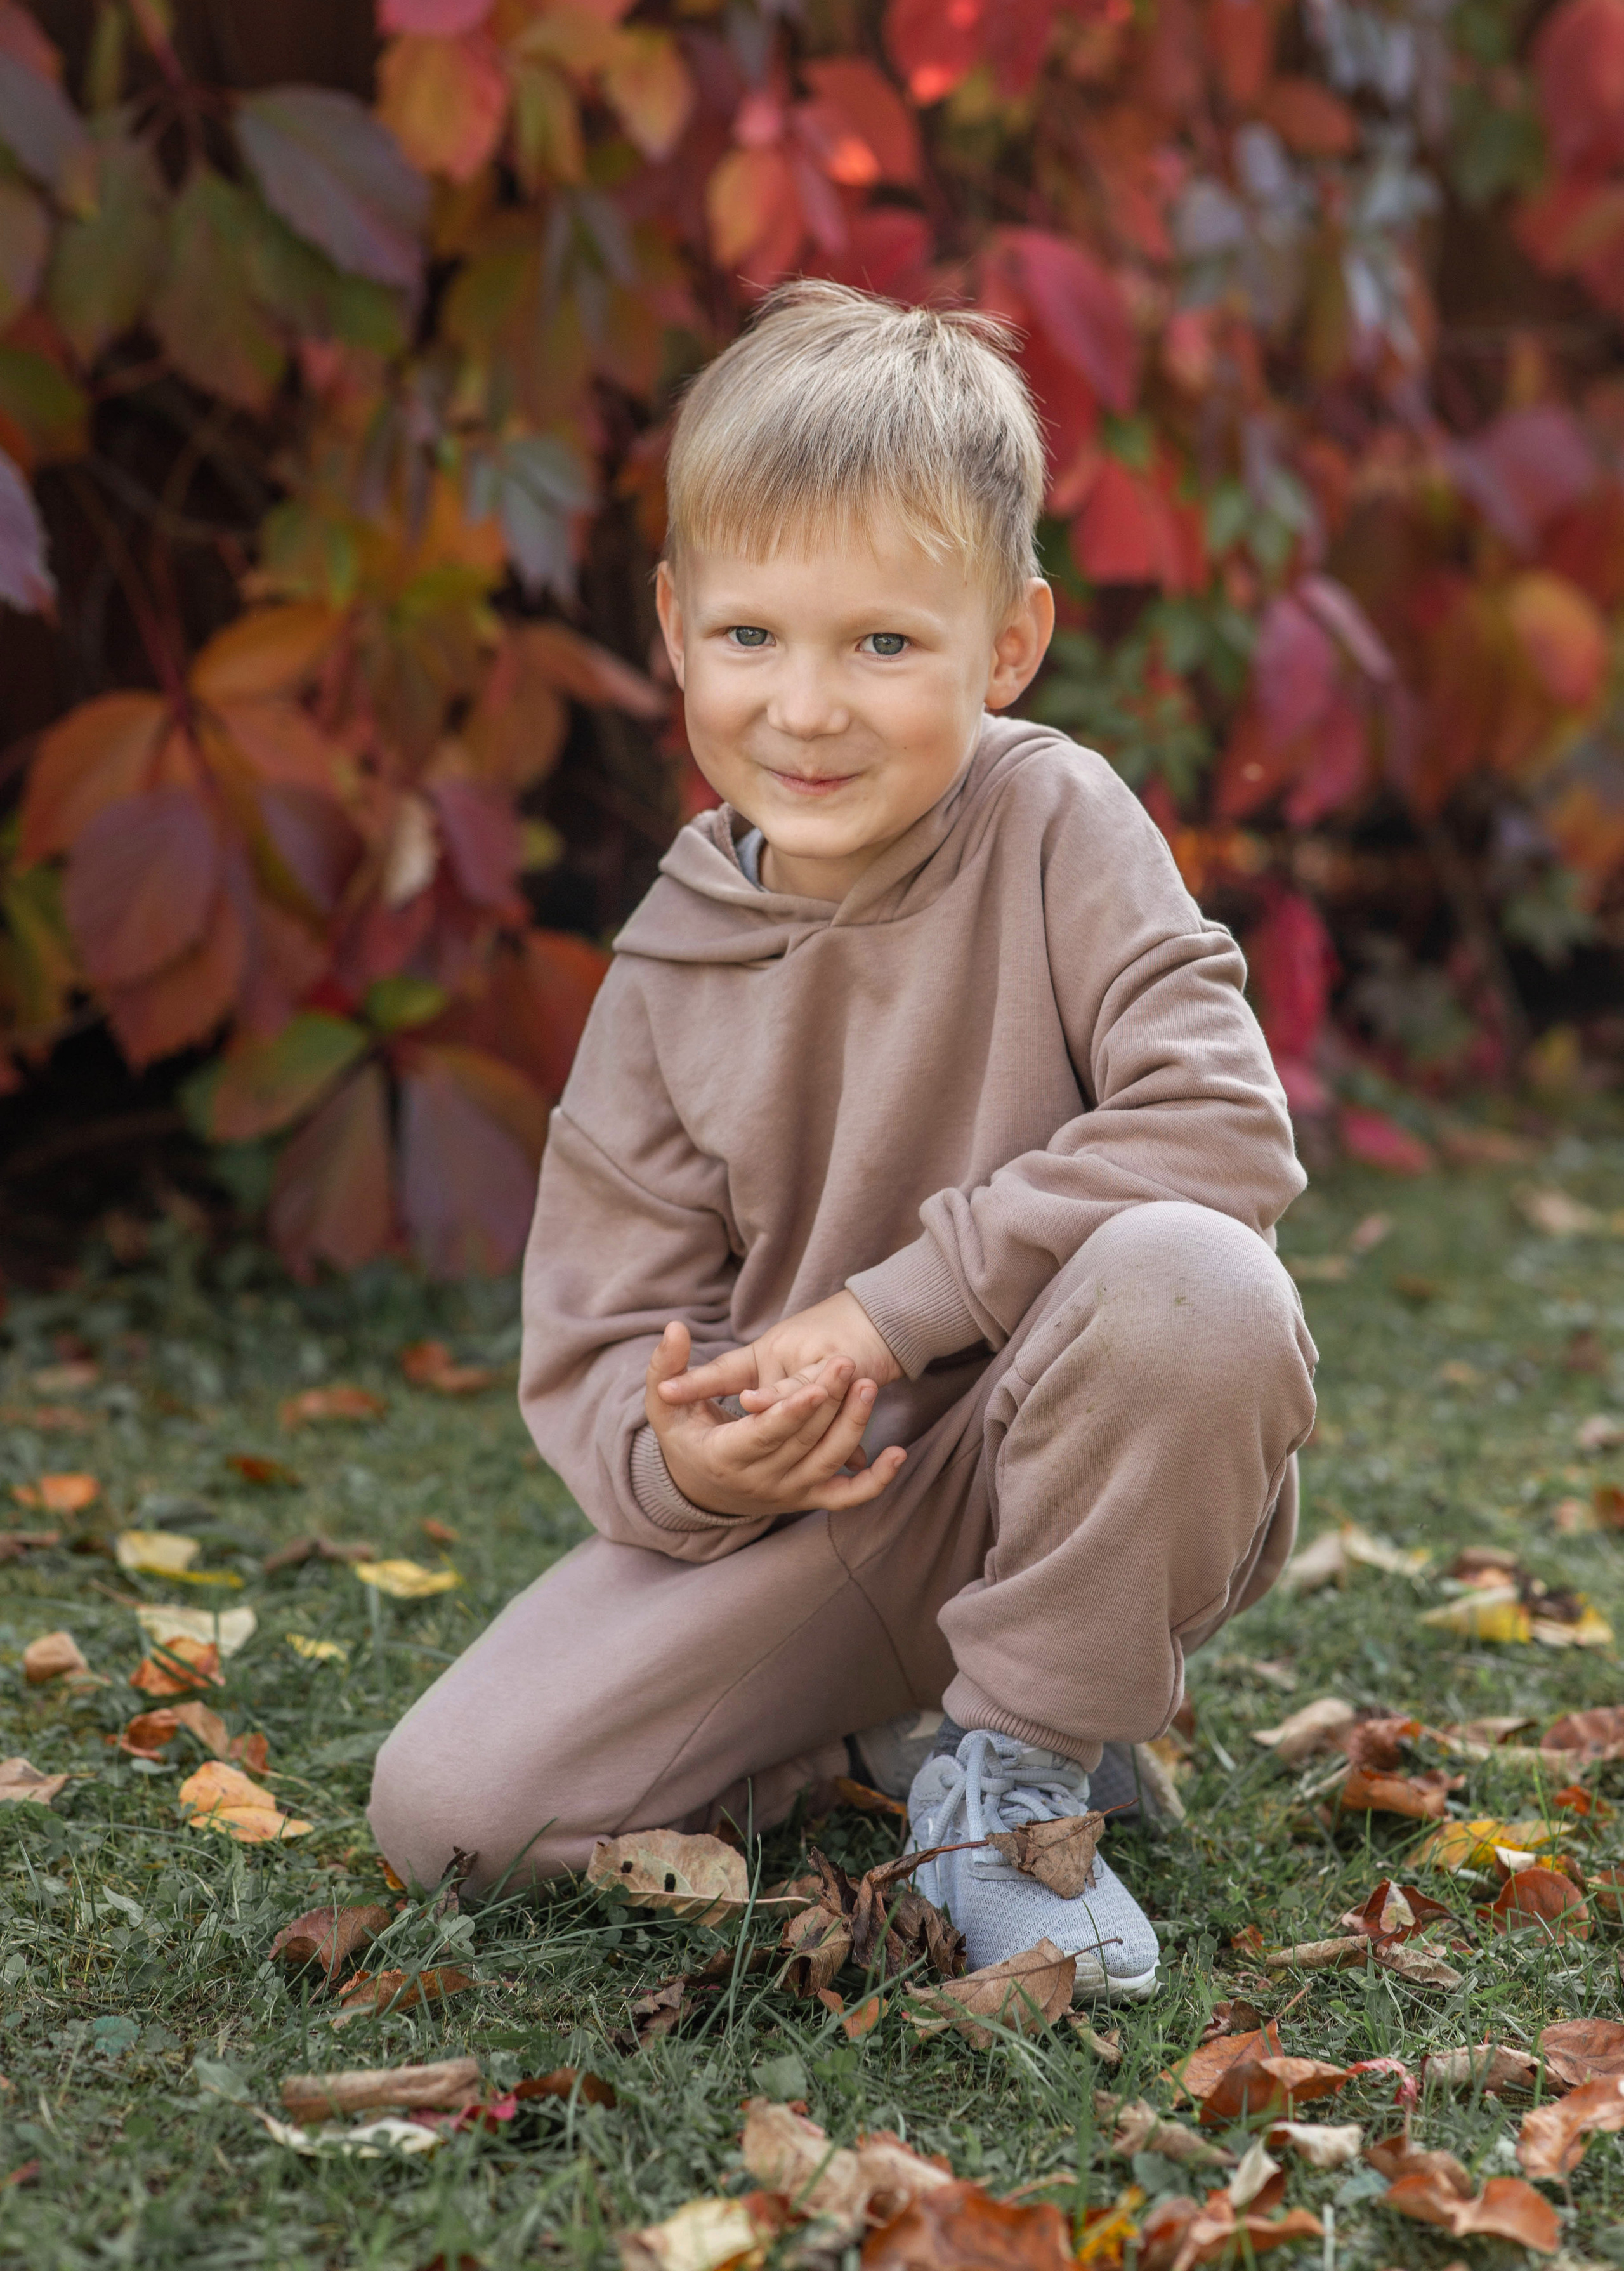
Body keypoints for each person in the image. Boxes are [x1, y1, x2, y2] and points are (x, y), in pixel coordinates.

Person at [369, 281, 1317, 1998]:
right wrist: (688, 1467)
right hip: (824, 1522)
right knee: (452, 1809)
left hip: (1067, 1453)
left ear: (1007, 644)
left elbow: (1224, 1128)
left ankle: (1017, 1782)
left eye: (884, 642)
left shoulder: (1056, 825)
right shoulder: (663, 966)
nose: (806, 709)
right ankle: (884, 1719)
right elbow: (599, 1347)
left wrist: (887, 1313)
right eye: (753, 638)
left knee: (1202, 1282)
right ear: (674, 625)